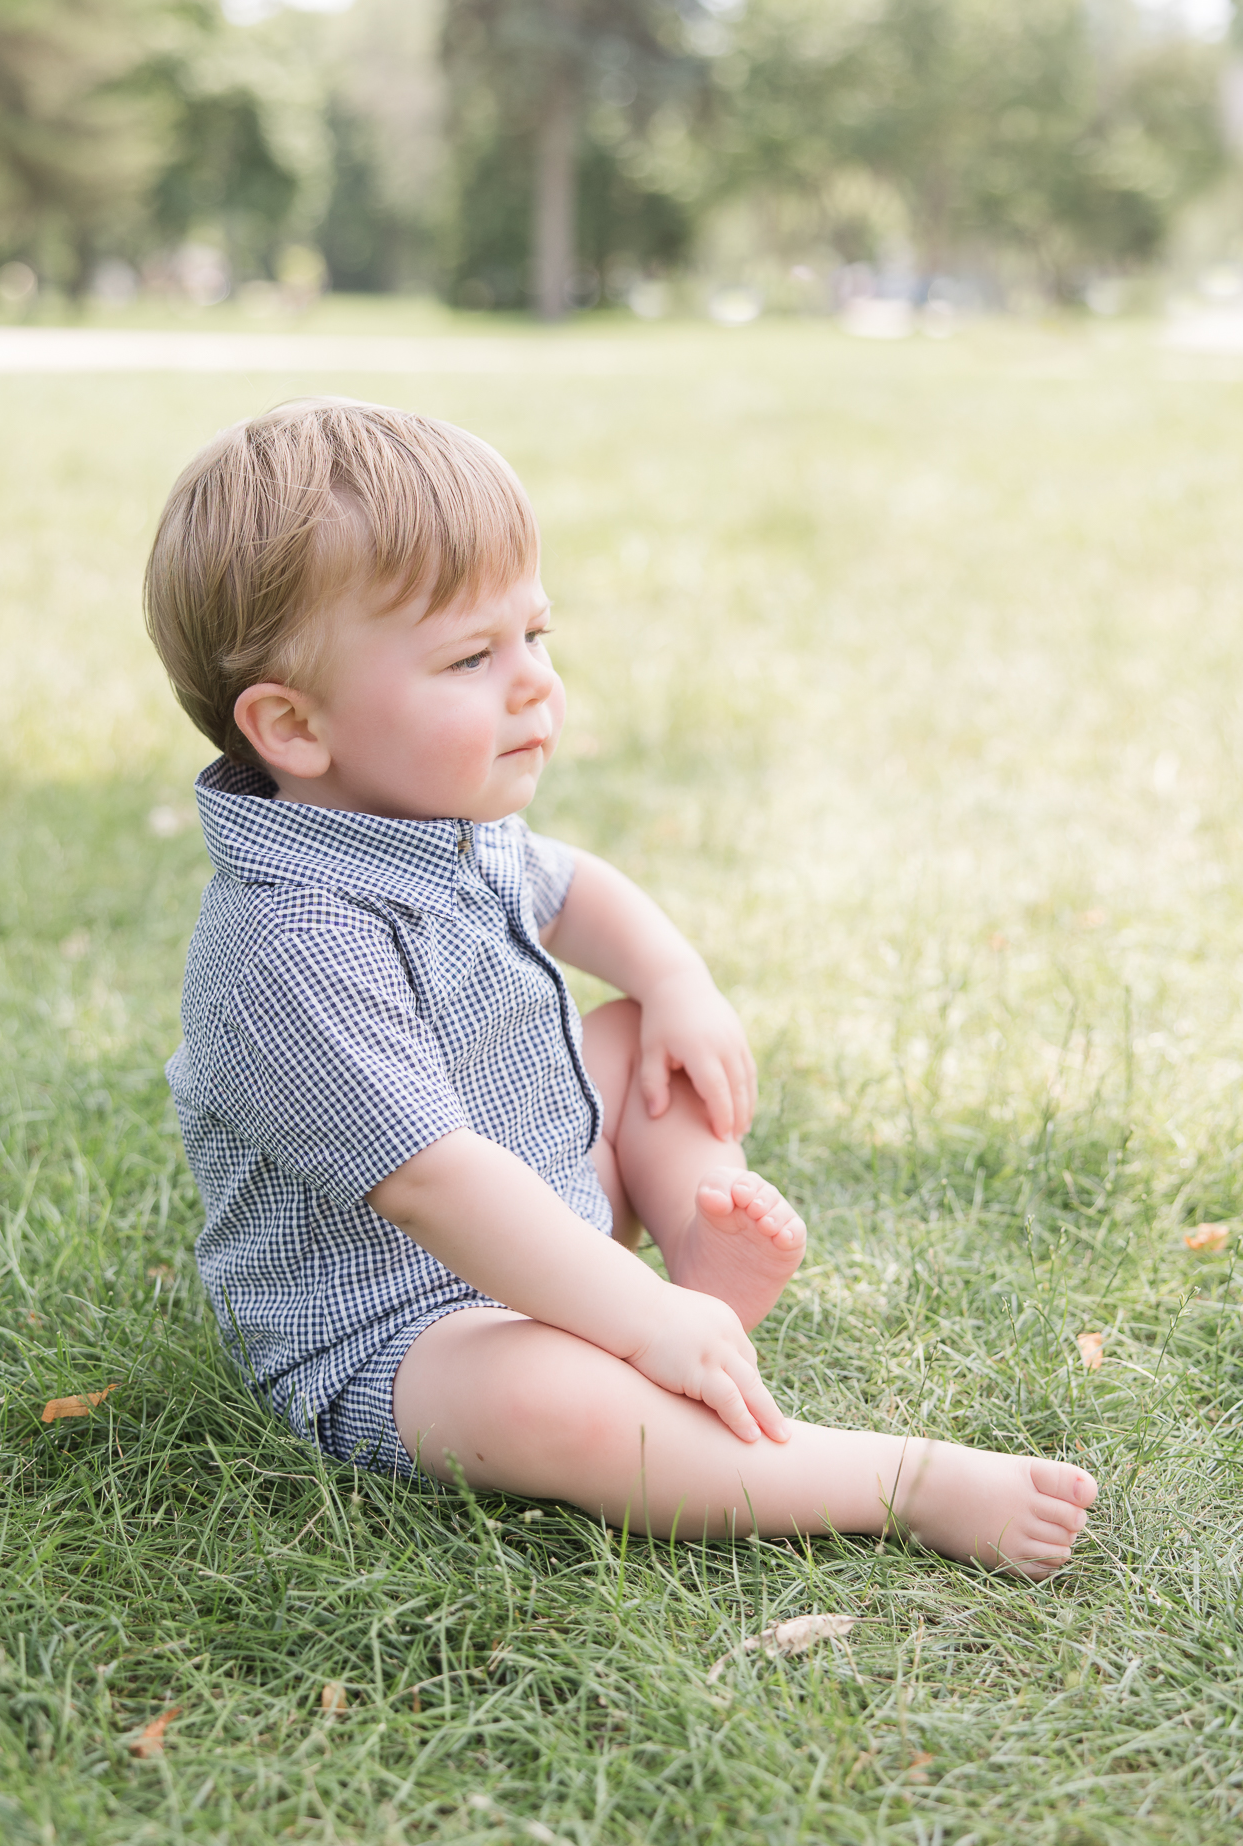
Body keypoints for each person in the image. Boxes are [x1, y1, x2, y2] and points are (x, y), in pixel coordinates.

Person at [145, 398, 1097, 1577]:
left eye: (534, 635)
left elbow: (570, 886)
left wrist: (675, 979)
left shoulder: (422, 817)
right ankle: (895, 1479)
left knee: (647, 1035)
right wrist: (629, 1315)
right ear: (293, 726)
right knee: (560, 1412)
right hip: (400, 1329)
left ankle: (698, 1273)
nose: (535, 686)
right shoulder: (283, 953)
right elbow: (438, 1188)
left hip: (540, 1192)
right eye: (471, 658)